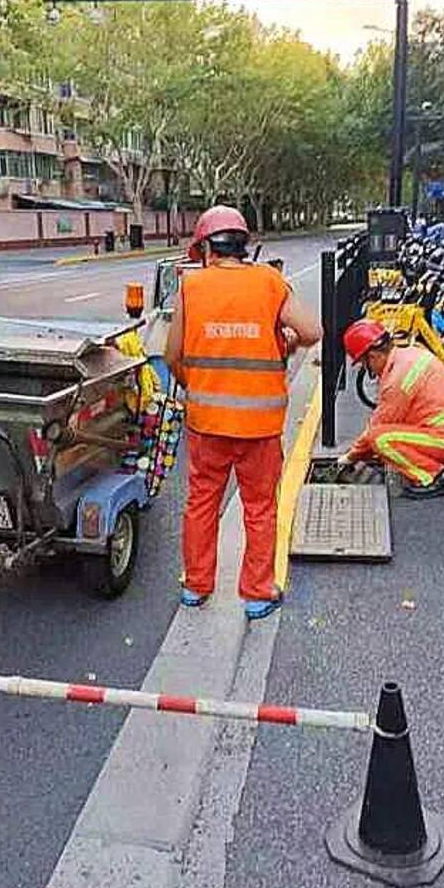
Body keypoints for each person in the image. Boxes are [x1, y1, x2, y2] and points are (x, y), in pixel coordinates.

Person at [164, 205, 321, 620]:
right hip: (260, 428)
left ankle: (196, 587)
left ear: (205, 250)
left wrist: (194, 386)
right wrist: (284, 345)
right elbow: (312, 332)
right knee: (260, 508)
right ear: (243, 246)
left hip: (207, 426)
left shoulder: (190, 287)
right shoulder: (270, 281)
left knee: (201, 504)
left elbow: (172, 355)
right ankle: (255, 595)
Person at [338, 319, 444, 498]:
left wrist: (351, 456)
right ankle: (435, 465)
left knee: (380, 439)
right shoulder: (409, 354)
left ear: (373, 356)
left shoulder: (397, 379)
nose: (368, 369)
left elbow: (379, 425)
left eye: (365, 364)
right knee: (388, 433)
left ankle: (435, 477)